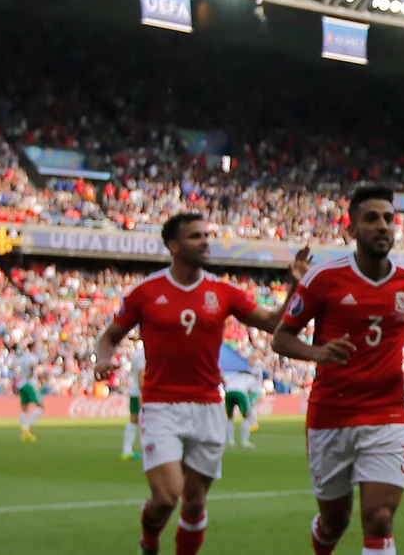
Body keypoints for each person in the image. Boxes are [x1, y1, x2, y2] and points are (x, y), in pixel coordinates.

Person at [93, 212, 310, 555]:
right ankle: (149, 541)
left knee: (194, 503)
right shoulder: (145, 293)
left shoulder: (222, 291)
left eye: (206, 235)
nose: (205, 241)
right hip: (161, 405)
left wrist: (294, 287)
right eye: (195, 236)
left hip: (209, 405)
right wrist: (102, 359)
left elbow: (271, 322)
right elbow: (109, 337)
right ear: (174, 246)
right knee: (166, 497)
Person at [274, 185, 404, 555]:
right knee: (335, 522)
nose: (383, 226)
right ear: (351, 229)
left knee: (378, 518)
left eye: (389, 219)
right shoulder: (322, 280)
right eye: (371, 218)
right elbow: (281, 338)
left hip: (387, 415)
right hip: (331, 415)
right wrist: (318, 352)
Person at [219, 350, 262, 449]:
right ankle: (244, 441)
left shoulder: (236, 375)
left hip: (229, 392)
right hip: (241, 393)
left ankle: (230, 441)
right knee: (246, 417)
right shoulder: (252, 377)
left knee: (229, 417)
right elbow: (252, 391)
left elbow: (227, 383)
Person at [12, 338, 43, 442]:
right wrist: (31, 374)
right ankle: (26, 426)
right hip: (30, 384)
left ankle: (23, 434)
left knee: (24, 408)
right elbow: (32, 366)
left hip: (22, 384)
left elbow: (15, 365)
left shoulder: (23, 357)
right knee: (40, 407)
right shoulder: (33, 357)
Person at [122, 336, 147, 460]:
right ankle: (145, 450)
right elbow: (141, 375)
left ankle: (127, 450)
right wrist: (144, 394)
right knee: (144, 420)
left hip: (135, 391)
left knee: (134, 419)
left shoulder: (138, 353)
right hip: (140, 392)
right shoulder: (144, 354)